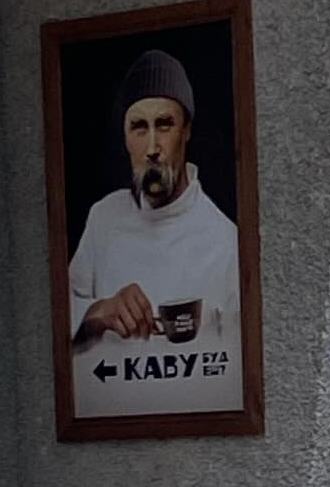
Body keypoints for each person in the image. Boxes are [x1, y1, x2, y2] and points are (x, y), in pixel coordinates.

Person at [70, 49, 239, 349]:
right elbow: (57, 320)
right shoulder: (104, 218)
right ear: (124, 136)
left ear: (186, 131)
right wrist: (98, 311)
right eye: (138, 127)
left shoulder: (225, 243)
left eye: (164, 124)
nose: (152, 147)